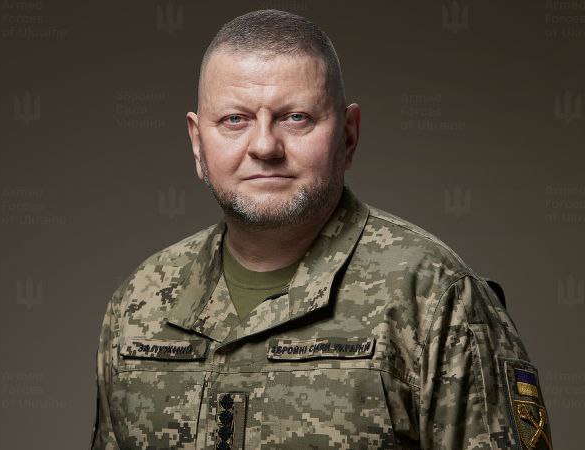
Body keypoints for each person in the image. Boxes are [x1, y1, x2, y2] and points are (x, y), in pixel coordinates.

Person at [91, 9, 552, 450]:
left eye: (296, 118)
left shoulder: (433, 296)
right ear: (197, 143)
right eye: (235, 120)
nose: (265, 146)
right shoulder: (139, 302)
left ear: (348, 136)